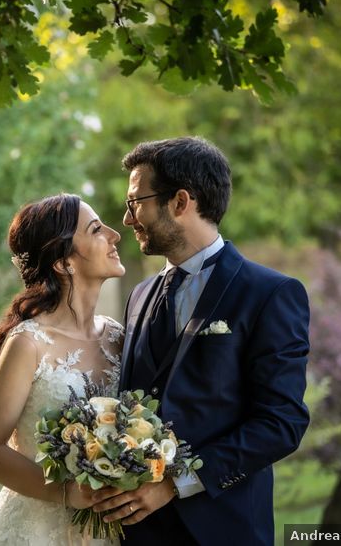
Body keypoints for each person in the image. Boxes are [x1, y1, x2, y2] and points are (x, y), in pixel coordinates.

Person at [89, 137, 310, 545]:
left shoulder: (270, 293)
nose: (126, 218)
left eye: (136, 202)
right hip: (137, 533)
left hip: (224, 528)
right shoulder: (138, 296)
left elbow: (281, 423)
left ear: (180, 202)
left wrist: (176, 483)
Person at [0, 193, 126, 545]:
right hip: (36, 530)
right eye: (97, 229)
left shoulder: (119, 336)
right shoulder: (29, 343)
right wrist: (69, 492)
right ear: (63, 261)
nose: (115, 235)